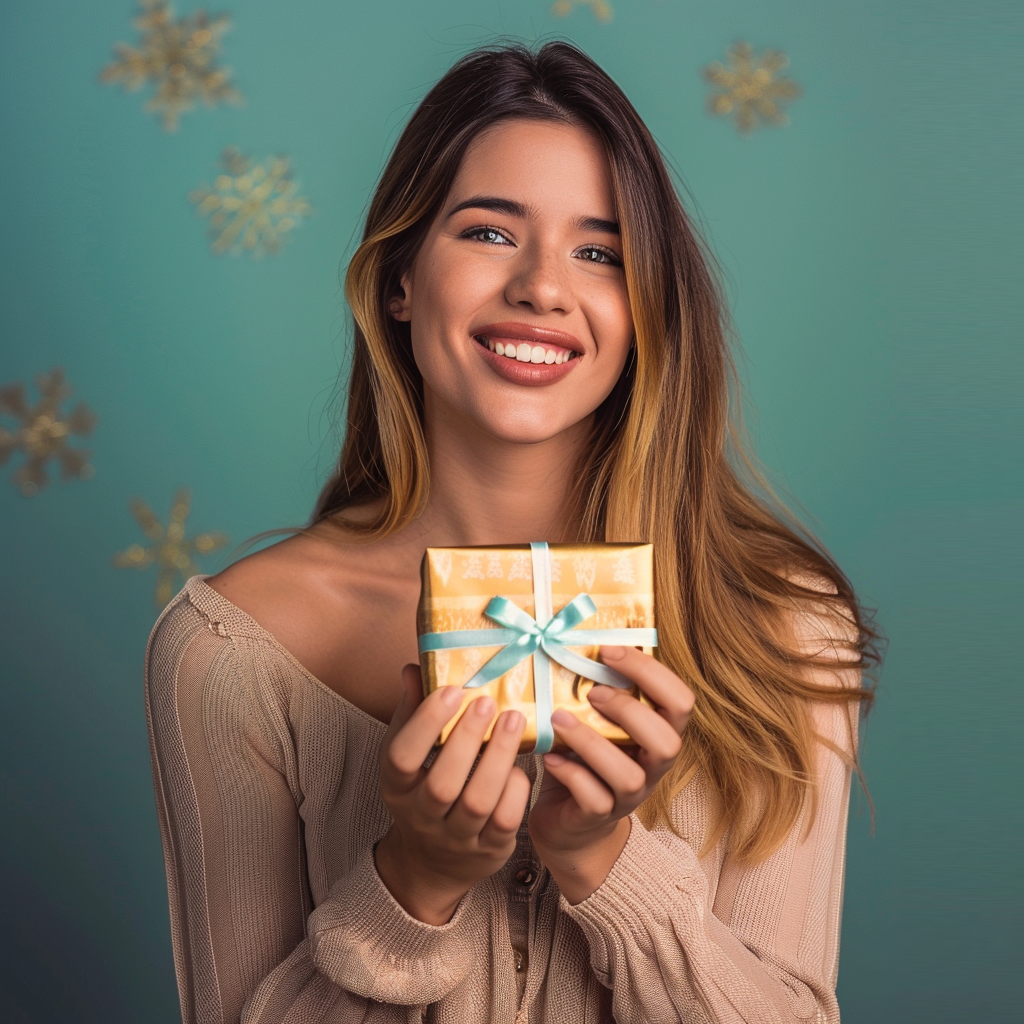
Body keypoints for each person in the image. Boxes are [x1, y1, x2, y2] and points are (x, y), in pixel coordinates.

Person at [144, 40, 880, 1024]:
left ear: (647, 306)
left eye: (599, 251)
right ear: (401, 280)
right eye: (491, 233)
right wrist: (416, 881)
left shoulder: (784, 630)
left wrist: (599, 856)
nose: (543, 285)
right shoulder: (234, 651)